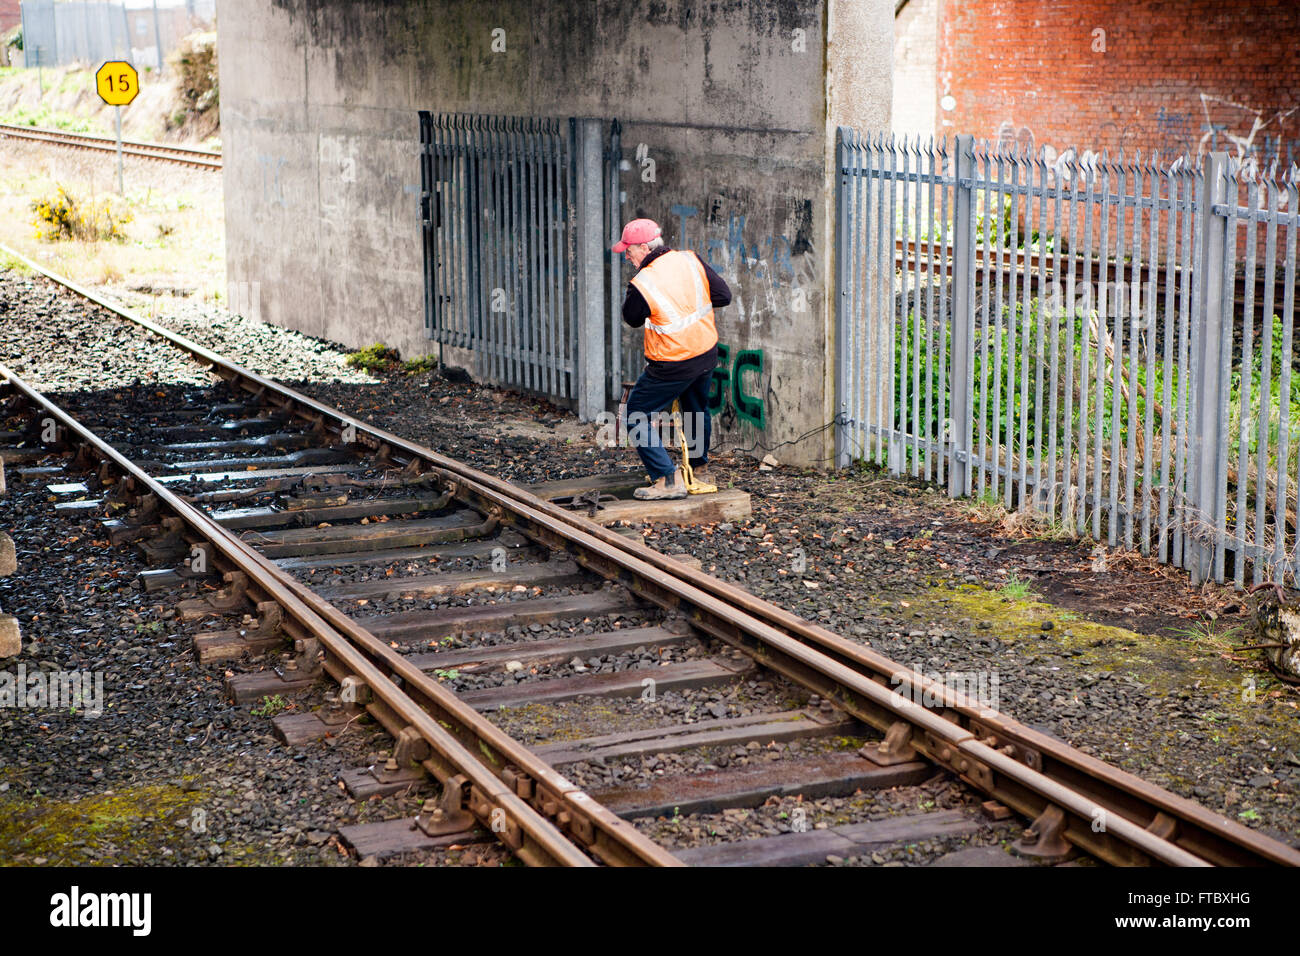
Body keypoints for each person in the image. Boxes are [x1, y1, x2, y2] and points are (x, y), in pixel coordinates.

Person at [613, 218, 732, 499]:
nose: (627, 256)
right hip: (704, 352)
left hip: (672, 362)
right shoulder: (690, 260)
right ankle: (700, 469)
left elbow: (631, 318)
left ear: (643, 247)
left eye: (628, 250)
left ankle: (667, 480)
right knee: (695, 409)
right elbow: (723, 295)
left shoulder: (643, 281)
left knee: (637, 414)